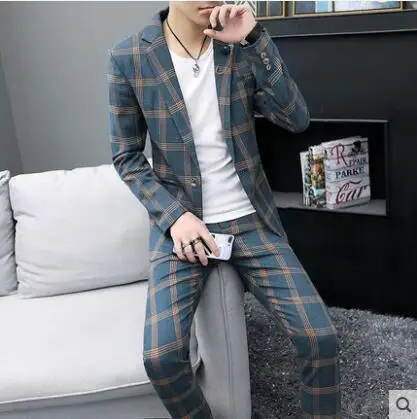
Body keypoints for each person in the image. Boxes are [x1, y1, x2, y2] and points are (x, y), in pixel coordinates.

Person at [107, 2, 341, 418]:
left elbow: (297, 119)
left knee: (320, 338)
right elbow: (127, 157)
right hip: (183, 226)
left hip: (251, 219)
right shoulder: (130, 56)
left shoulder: (238, 46)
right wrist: (175, 217)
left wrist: (255, 40)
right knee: (161, 359)